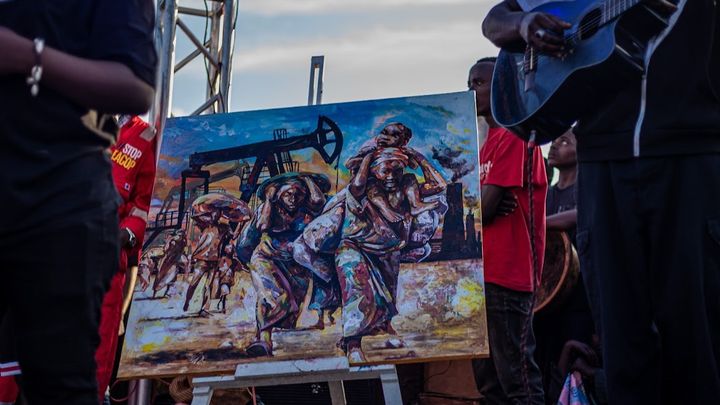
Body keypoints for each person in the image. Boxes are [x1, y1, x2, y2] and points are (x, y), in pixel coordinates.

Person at [482, 1, 720, 403]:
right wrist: (524, 24)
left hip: (691, 154)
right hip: (603, 164)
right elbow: (496, 19)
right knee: (622, 343)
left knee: (698, 343)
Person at [0, 1, 156, 403]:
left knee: (58, 386)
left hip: (56, 211)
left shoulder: (142, 136)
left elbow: (135, 86)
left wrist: (28, 56)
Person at [469, 57, 548, 405]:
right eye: (469, 84)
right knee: (490, 387)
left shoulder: (514, 135)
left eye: (479, 83)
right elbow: (476, 207)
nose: (471, 91)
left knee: (518, 382)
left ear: (503, 84)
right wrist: (477, 205)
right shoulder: (486, 146)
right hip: (482, 277)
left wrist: (476, 206)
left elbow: (482, 210)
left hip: (506, 276)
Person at [96, 115, 157, 402]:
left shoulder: (145, 136)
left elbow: (144, 204)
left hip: (106, 265)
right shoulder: (74, 118)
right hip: (58, 258)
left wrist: (127, 234)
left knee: (95, 359)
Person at [237, 173, 333, 357]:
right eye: (288, 193)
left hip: (296, 264)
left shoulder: (308, 210)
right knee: (271, 294)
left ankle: (267, 334)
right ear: (278, 194)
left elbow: (319, 202)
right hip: (267, 256)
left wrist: (307, 179)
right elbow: (259, 228)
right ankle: (263, 339)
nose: (293, 198)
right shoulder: (267, 208)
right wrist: (268, 198)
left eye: (298, 194)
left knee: (290, 308)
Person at [533, 130, 595, 403]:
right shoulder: (546, 194)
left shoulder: (587, 189)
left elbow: (583, 215)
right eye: (554, 141)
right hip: (546, 298)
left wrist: (539, 224)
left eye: (566, 141)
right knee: (543, 364)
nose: (555, 146)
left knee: (573, 367)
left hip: (579, 297)